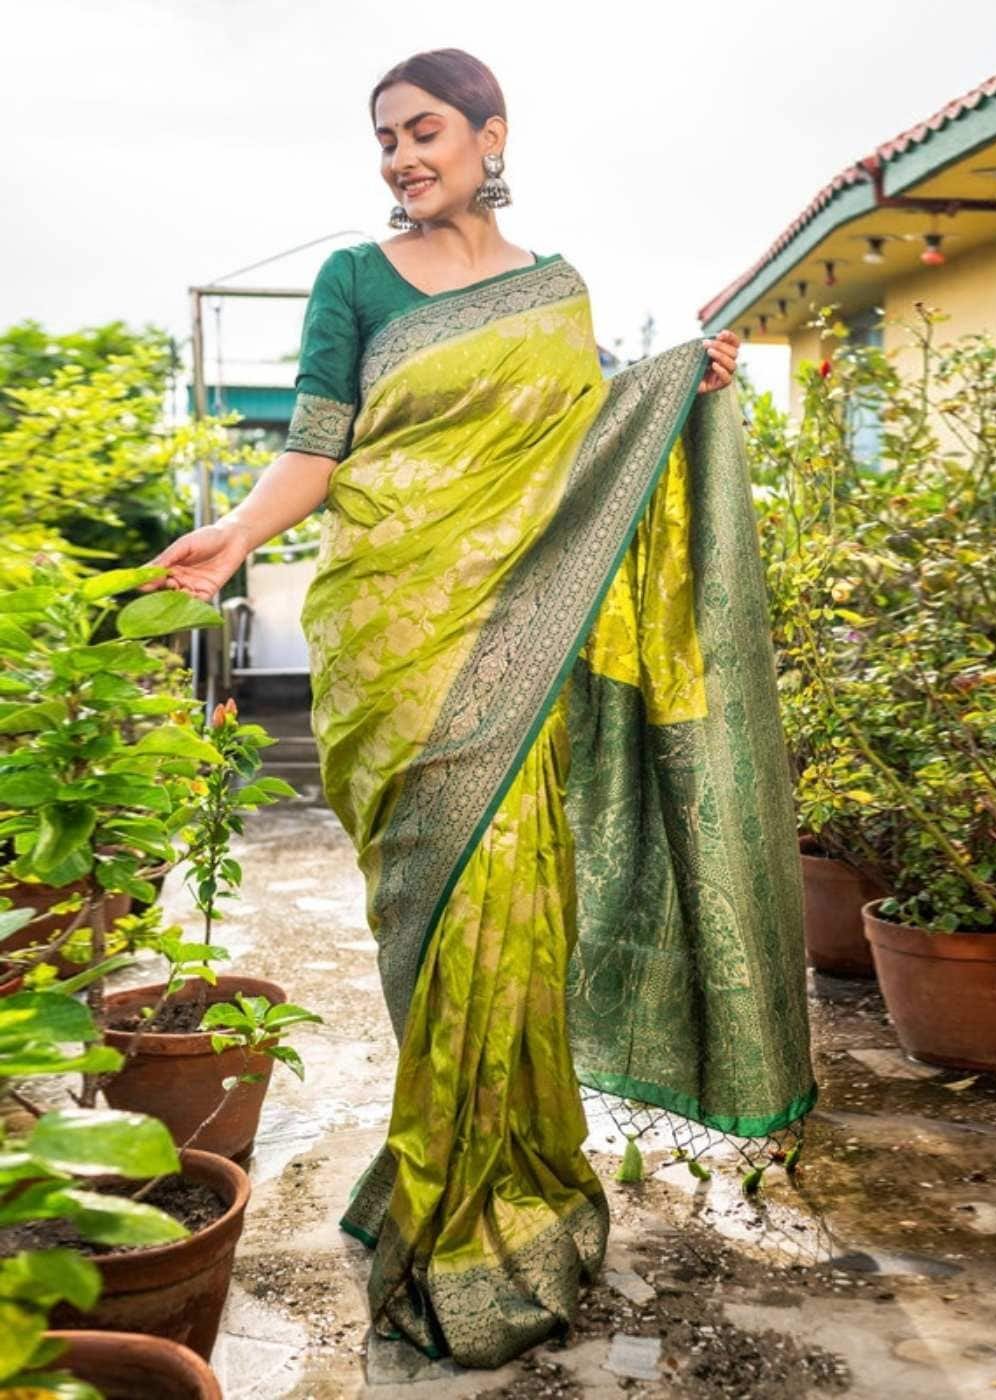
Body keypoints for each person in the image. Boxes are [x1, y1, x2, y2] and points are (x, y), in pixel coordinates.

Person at [149, 47, 816, 1370]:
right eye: (385, 138)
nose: (402, 156)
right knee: (427, 920)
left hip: (513, 645)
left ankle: (495, 1192)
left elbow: (581, 451)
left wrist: (677, 387)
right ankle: (447, 1179)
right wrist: (235, 534)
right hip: (392, 637)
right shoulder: (354, 280)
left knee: (507, 911)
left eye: (425, 130)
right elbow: (316, 445)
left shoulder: (554, 291)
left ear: (489, 134)